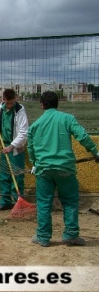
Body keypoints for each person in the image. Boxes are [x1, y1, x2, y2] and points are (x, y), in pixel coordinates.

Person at [27, 91, 99, 247]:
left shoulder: (35, 126)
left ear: (42, 105)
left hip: (43, 170)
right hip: (65, 169)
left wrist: (34, 163)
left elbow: (30, 148)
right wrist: (95, 152)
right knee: (70, 201)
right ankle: (71, 235)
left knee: (44, 203)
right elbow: (83, 136)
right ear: (57, 103)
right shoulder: (67, 119)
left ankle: (43, 237)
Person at [0, 88, 29, 210]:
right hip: (4, 146)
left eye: (11, 102)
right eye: (7, 102)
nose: (9, 105)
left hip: (15, 149)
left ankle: (18, 202)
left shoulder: (19, 110)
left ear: (15, 99)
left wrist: (12, 146)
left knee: (17, 176)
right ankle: (5, 201)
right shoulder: (1, 107)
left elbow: (23, 132)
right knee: (4, 175)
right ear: (3, 99)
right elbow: (1, 119)